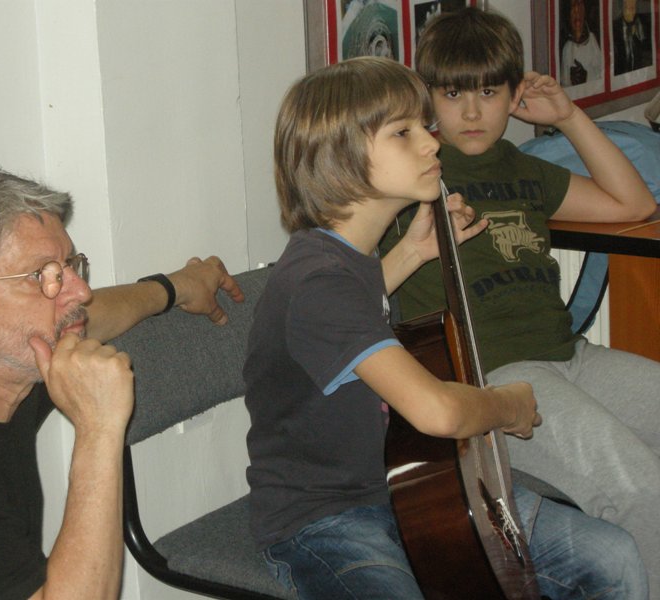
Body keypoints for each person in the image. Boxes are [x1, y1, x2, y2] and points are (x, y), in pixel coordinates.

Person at [244, 56, 647, 600]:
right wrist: (508, 404)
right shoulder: (317, 281)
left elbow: (358, 304)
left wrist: (413, 253)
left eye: (424, 126)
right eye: (403, 132)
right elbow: (438, 412)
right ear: (339, 157)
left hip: (416, 483)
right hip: (327, 518)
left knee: (612, 557)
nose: (431, 143)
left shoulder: (348, 258)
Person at [380, 6, 660, 597]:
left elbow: (634, 205)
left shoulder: (523, 168)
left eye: (489, 92)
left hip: (571, 358)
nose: (472, 112)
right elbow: (345, 287)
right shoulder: (411, 176)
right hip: (499, 382)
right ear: (427, 99)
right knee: (640, 486)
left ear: (513, 95)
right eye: (453, 93)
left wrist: (570, 117)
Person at [0, 170, 244, 599]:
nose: (79, 291)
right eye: (39, 275)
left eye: (69, 266)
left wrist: (174, 288)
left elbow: (94, 316)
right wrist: (99, 428)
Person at [560, 0, 603, 86]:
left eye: (579, 4)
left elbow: (605, 76)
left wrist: (586, 77)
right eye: (573, 6)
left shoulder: (596, 40)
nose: (577, 10)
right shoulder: (566, 48)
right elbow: (564, 85)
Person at [613, 0, 653, 75]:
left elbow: (648, 51)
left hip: (642, 73)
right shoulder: (615, 27)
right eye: (627, 8)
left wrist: (636, 35)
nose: (630, 12)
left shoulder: (643, 23)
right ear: (622, 8)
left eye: (633, 8)